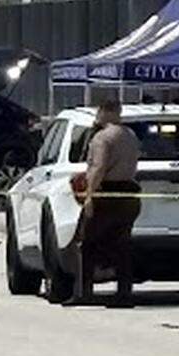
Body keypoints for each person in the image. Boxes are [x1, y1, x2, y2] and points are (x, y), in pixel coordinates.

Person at [67, 99, 142, 308]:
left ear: (104, 111)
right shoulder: (130, 136)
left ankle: (84, 293)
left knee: (86, 244)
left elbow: (99, 167)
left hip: (106, 194)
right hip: (128, 194)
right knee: (122, 246)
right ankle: (124, 294)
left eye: (98, 112)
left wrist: (90, 196)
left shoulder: (102, 138)